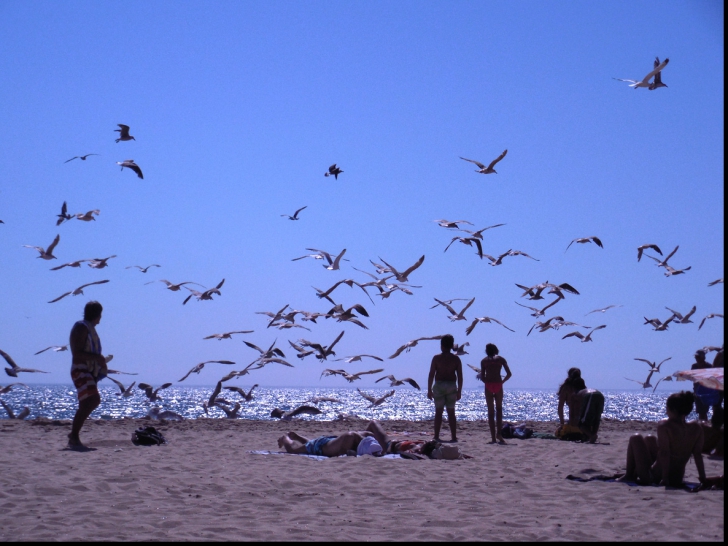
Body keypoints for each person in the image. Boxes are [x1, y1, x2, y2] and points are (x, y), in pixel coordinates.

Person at [620, 391, 706, 487]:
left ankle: (629, 475)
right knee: (650, 438)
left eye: (667, 409)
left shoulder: (665, 426)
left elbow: (665, 453)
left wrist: (664, 479)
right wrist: (703, 478)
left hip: (655, 477)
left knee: (635, 437)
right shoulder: (697, 428)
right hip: (677, 478)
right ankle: (635, 472)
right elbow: (697, 455)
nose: (666, 412)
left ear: (673, 410)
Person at [68, 301, 107, 450]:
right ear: (96, 315)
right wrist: (98, 359)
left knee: (85, 403)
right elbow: (77, 353)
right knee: (94, 400)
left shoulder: (88, 328)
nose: (100, 319)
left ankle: (74, 436)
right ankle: (73, 435)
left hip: (88, 370)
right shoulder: (82, 327)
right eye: (100, 315)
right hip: (80, 368)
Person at [277, 420, 390, 457]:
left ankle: (297, 437)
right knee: (293, 450)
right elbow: (351, 436)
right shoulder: (351, 438)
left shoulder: (357, 439)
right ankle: (285, 438)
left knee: (312, 444)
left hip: (329, 442)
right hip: (323, 444)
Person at [427, 334, 463, 442]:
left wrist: (429, 389)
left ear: (441, 345)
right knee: (451, 412)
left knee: (438, 412)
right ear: (452, 346)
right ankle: (453, 436)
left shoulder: (436, 358)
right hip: (451, 385)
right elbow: (460, 376)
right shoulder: (456, 359)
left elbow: (431, 374)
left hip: (439, 385)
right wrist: (459, 390)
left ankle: (437, 436)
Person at [557, 367, 605, 443]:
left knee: (581, 425)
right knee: (596, 419)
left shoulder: (572, 390)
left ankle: (592, 436)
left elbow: (565, 408)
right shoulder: (581, 387)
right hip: (598, 398)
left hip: (577, 418)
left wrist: (563, 423)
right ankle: (593, 435)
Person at [480, 343, 512, 444]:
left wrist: (486, 382)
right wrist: (502, 382)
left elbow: (482, 376)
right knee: (499, 410)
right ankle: (499, 433)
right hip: (498, 384)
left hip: (488, 385)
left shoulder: (484, 361)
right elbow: (509, 374)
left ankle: (493, 438)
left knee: (490, 412)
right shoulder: (501, 359)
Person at [691, 349, 720, 420]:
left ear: (702, 357)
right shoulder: (694, 366)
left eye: (698, 357)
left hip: (706, 392)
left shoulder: (709, 366)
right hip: (697, 392)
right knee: (700, 412)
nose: (696, 358)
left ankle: (705, 426)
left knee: (704, 411)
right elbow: (693, 377)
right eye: (696, 357)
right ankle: (702, 426)